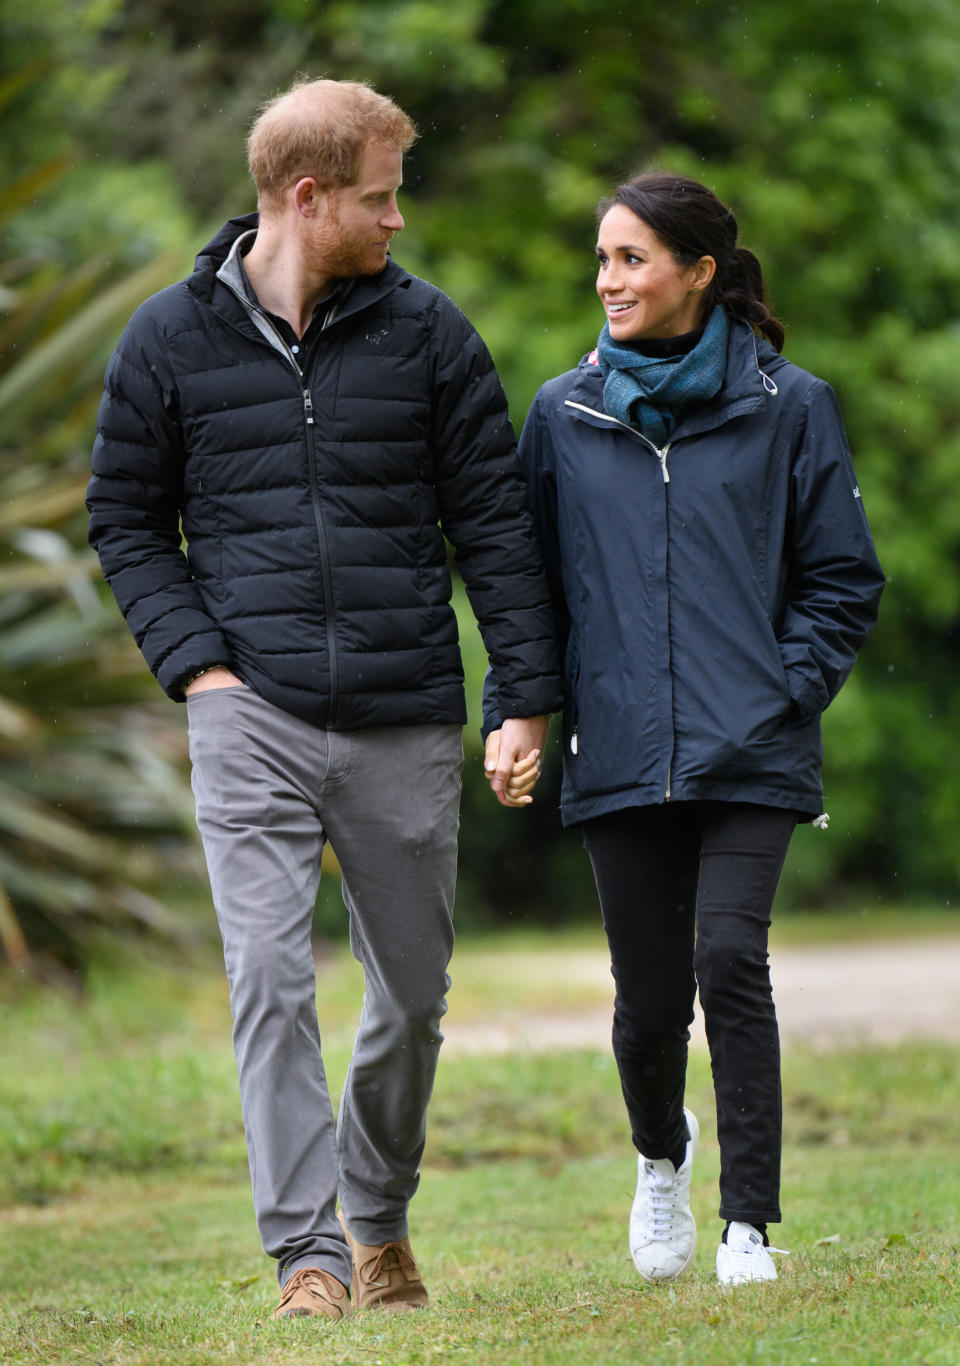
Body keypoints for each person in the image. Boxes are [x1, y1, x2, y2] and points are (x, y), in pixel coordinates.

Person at [87, 77, 561, 1321]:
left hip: (405, 709)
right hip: (249, 706)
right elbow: (125, 520)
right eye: (381, 196)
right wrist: (199, 662)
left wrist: (522, 692)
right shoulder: (167, 340)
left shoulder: (432, 336)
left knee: (411, 991)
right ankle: (306, 1251)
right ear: (310, 198)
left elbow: (495, 529)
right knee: (269, 978)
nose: (398, 221)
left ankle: (381, 1217)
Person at [483, 171, 884, 1287]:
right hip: (615, 747)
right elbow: (529, 591)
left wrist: (782, 689)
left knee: (728, 960)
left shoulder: (787, 403)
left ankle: (748, 1224)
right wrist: (518, 713)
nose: (607, 279)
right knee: (650, 1003)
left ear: (699, 273)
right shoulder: (564, 415)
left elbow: (842, 578)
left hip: (750, 745)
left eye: (632, 259)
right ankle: (664, 1156)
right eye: (603, 259)